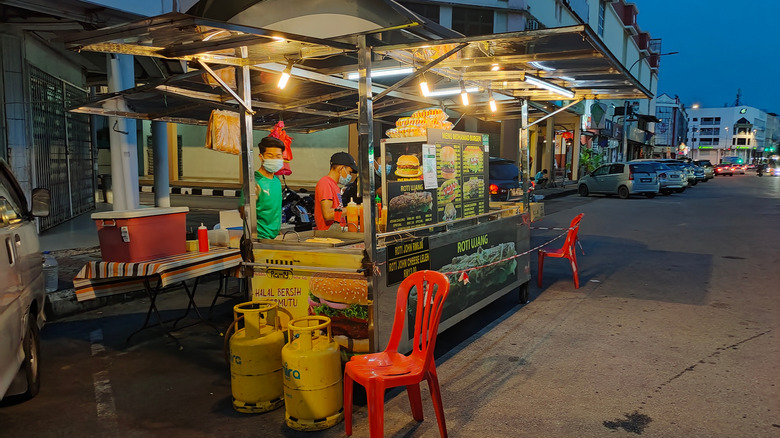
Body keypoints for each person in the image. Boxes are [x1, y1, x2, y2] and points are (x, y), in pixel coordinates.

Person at [239, 136, 285, 239]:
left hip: (274, 238)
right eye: (270, 156)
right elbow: (243, 214)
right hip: (258, 239)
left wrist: (278, 231)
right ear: (261, 157)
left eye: (278, 156)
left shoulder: (276, 181)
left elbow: (274, 212)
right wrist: (250, 202)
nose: (275, 159)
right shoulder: (253, 181)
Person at [315, 152, 358, 230]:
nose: (350, 176)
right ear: (341, 168)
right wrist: (353, 209)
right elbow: (328, 214)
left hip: (337, 232)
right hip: (327, 235)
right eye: (349, 172)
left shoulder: (334, 186)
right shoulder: (325, 183)